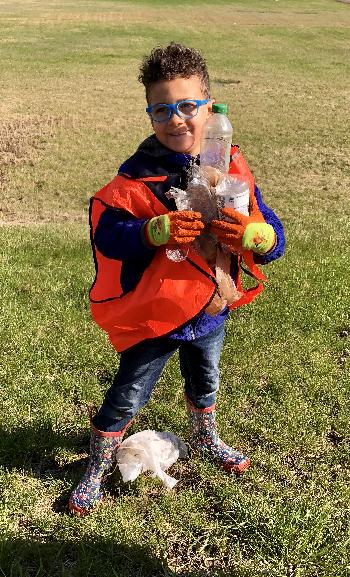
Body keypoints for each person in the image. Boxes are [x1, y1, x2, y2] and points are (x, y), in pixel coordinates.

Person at [69, 42, 285, 515]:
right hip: (159, 313)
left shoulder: (230, 166)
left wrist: (261, 237)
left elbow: (270, 229)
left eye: (188, 106)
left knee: (206, 380)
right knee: (129, 393)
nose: (177, 119)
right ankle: (96, 466)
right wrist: (152, 230)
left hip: (210, 308)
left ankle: (205, 436)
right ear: (150, 116)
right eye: (162, 109)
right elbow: (109, 234)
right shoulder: (136, 179)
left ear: (210, 107)